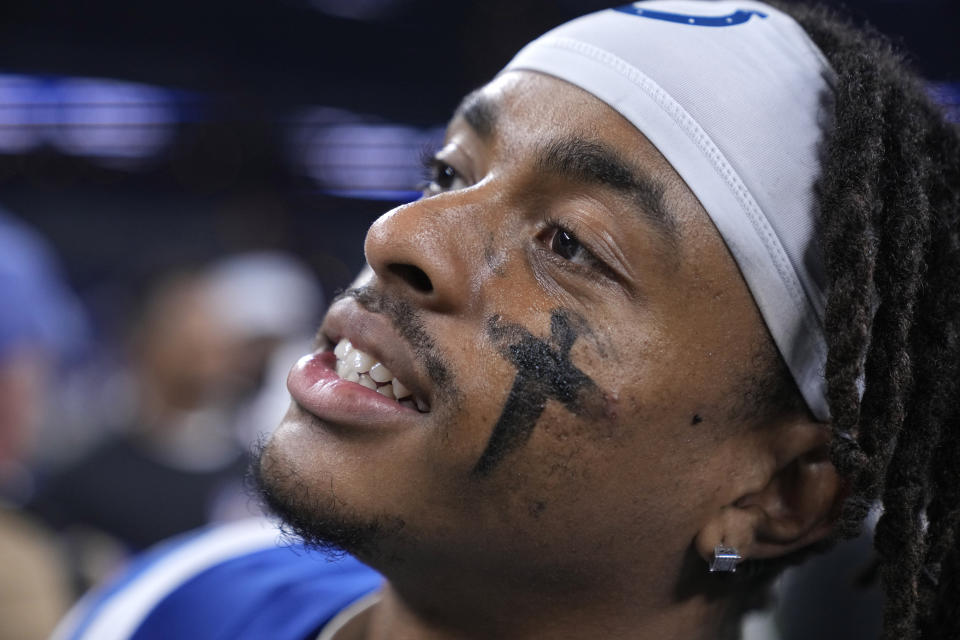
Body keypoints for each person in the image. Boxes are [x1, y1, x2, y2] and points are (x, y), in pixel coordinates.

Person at [52, 1, 960, 639]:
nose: (395, 234)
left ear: (779, 494)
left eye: (569, 243)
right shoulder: (175, 602)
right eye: (450, 172)